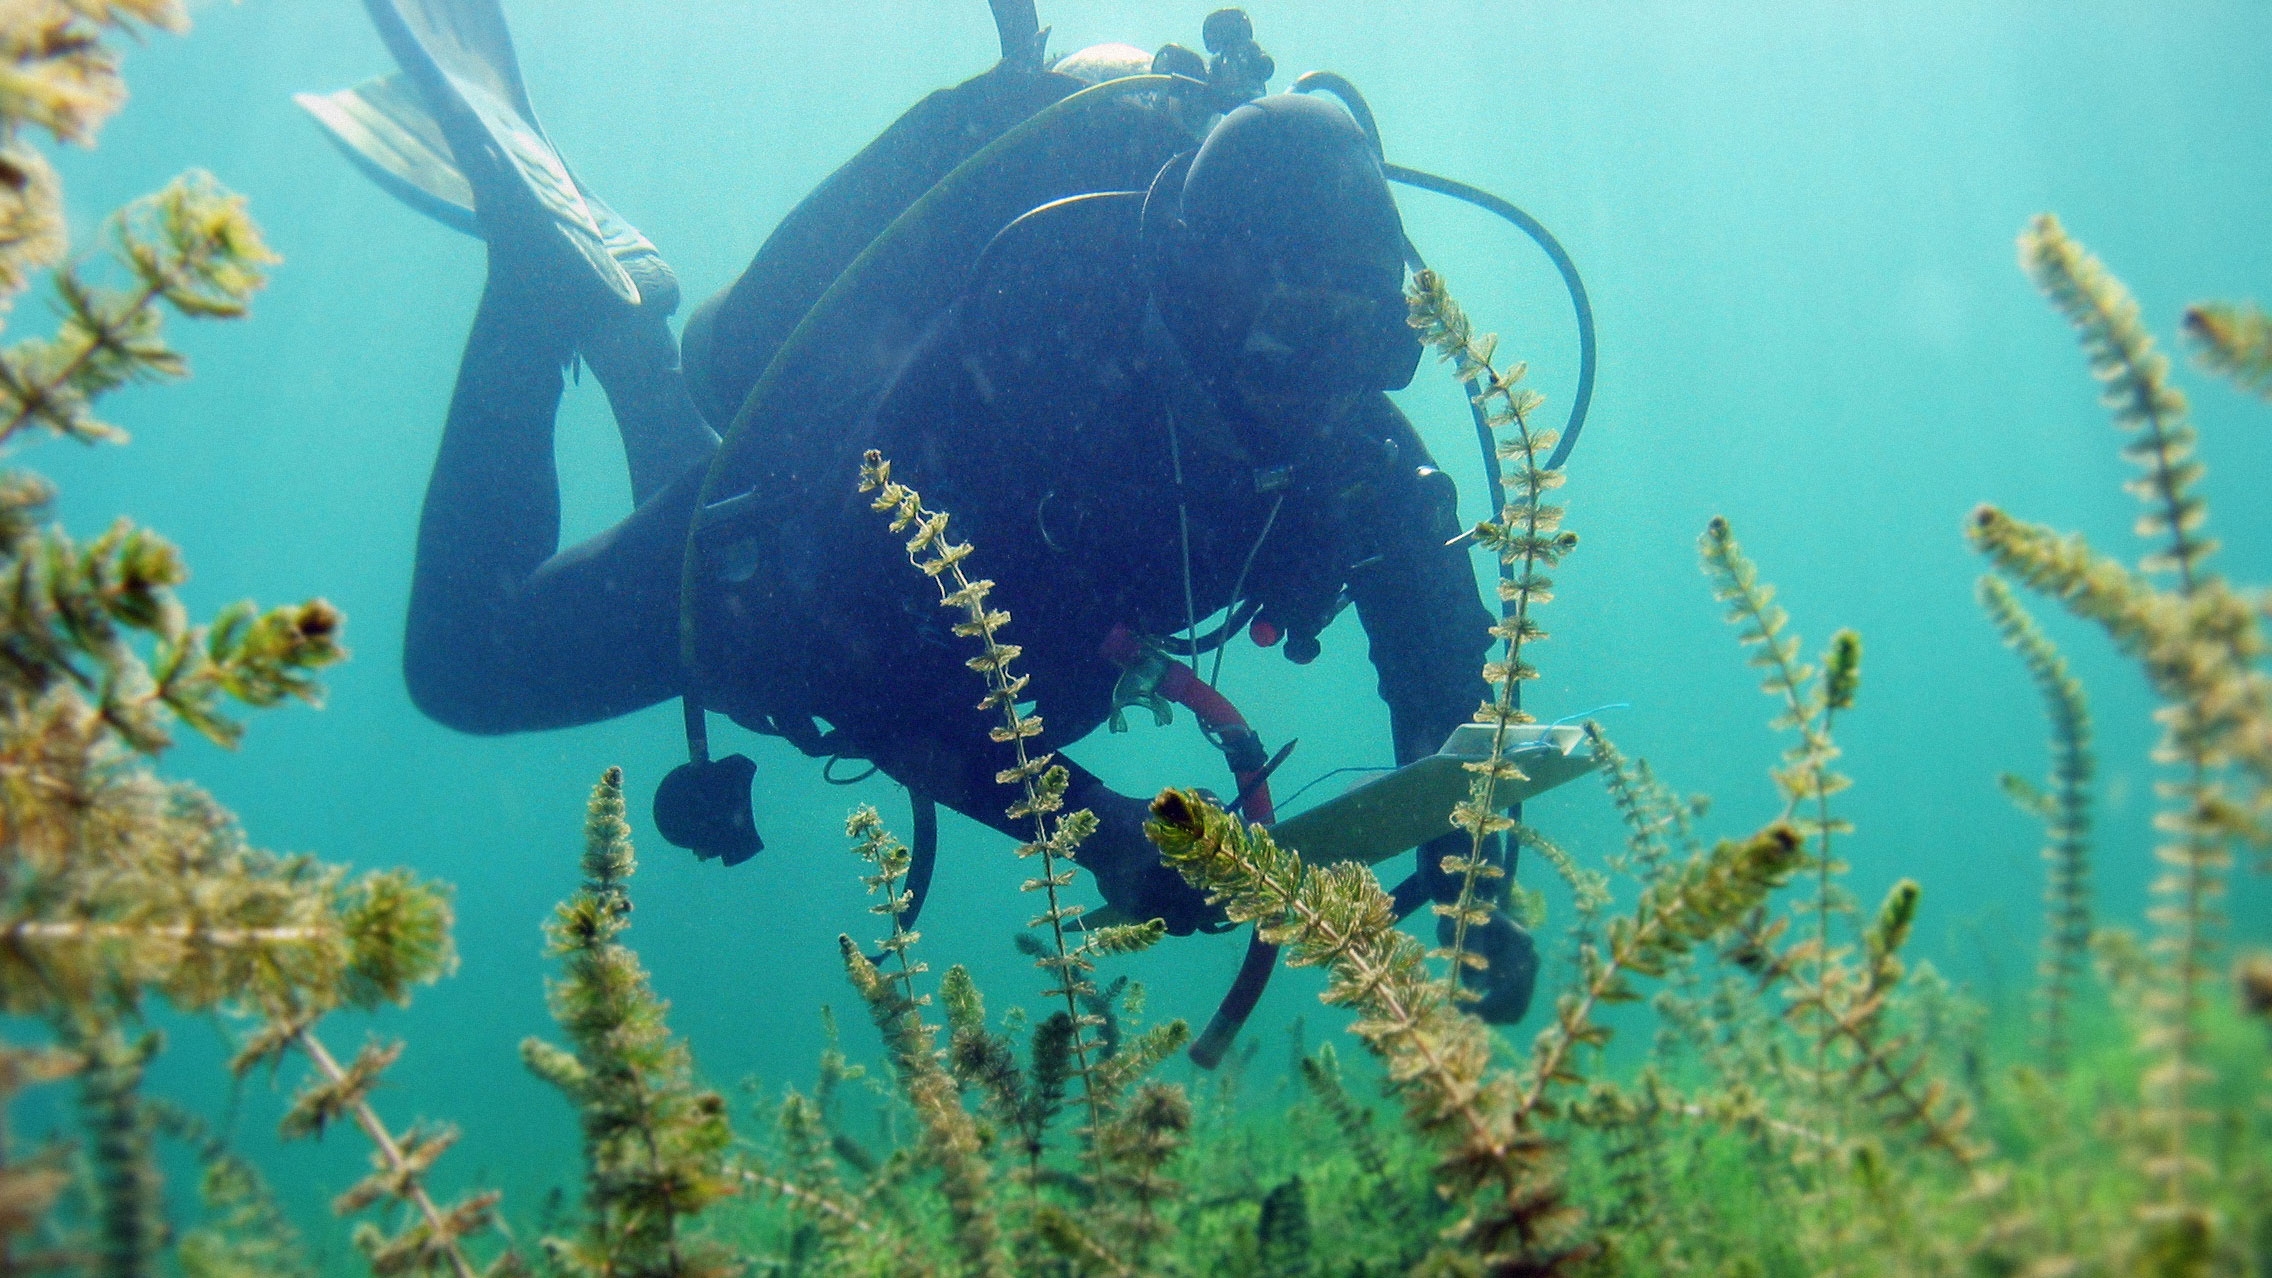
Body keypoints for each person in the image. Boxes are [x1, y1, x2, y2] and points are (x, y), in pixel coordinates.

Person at [322, 0, 1538, 1022]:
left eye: (1372, 343)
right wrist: (1104, 832)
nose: (1332, 388)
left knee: (712, 572)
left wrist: (1472, 876)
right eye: (1300, 333)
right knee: (468, 667)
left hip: (984, 647)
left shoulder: (1345, 431)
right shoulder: (1035, 358)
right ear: (1209, 292)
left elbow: (1442, 659)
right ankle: (537, 292)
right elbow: (868, 672)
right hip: (810, 575)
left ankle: (628, 327)